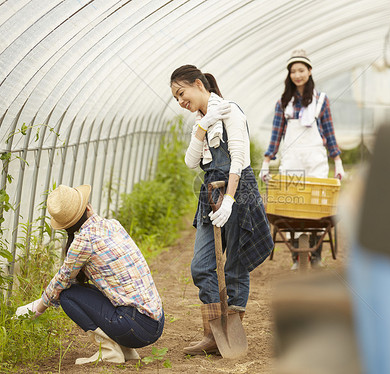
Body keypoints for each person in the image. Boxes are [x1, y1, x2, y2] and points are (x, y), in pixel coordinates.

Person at [170, 65, 273, 356]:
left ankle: (229, 332)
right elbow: (192, 162)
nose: (180, 101)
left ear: (199, 85)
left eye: (182, 93)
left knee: (235, 264)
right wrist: (202, 127)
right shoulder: (202, 122)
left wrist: (229, 200)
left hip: (238, 190)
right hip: (210, 191)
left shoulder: (230, 112)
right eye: (176, 98)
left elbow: (238, 159)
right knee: (202, 266)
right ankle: (212, 333)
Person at [15, 184, 164, 365]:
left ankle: (110, 352)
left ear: (65, 226)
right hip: (155, 321)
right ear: (88, 206)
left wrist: (37, 309)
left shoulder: (83, 242)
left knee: (68, 295)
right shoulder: (113, 225)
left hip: (136, 328)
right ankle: (125, 350)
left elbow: (61, 281)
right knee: (88, 289)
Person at [259, 49, 345, 270]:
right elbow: (276, 134)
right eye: (293, 71)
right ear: (289, 75)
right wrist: (267, 162)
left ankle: (315, 254)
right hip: (292, 159)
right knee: (293, 205)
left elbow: (329, 132)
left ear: (309, 71)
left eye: (301, 70)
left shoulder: (321, 101)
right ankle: (297, 256)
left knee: (317, 206)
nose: (297, 75)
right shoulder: (283, 103)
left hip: (315, 157)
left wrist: (338, 162)